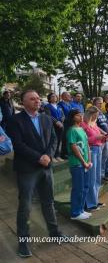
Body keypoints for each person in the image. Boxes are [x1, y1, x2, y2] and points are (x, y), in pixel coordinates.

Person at [7, 90, 66, 258]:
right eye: (33, 99)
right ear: (23, 102)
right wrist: (38, 157)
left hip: (46, 168)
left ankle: (55, 233)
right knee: (25, 206)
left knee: (48, 202)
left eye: (38, 98)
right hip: (27, 169)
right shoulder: (15, 120)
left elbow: (54, 139)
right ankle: (23, 242)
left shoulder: (46, 118)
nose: (37, 101)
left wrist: (48, 155)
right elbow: (18, 145)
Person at [65, 109, 92, 220]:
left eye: (81, 115)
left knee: (85, 187)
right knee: (78, 188)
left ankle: (81, 209)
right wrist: (83, 162)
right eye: (78, 115)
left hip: (85, 163)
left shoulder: (81, 129)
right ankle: (75, 213)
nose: (81, 117)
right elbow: (74, 147)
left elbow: (87, 145)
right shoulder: (71, 130)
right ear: (72, 117)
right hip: (77, 163)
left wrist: (89, 161)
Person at [81, 106, 106, 212]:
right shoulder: (83, 125)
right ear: (91, 114)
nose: (97, 117)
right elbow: (84, 140)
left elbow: (98, 137)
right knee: (91, 177)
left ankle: (94, 200)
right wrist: (97, 138)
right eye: (96, 115)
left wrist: (104, 138)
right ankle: (90, 203)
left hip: (99, 149)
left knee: (97, 177)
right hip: (91, 151)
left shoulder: (94, 124)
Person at [93, 97, 108, 180]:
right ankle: (97, 176)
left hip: (106, 139)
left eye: (102, 103)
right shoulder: (93, 113)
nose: (101, 104)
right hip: (99, 139)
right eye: (99, 103)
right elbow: (95, 126)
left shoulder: (102, 113)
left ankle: (102, 175)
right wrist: (105, 133)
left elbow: (107, 124)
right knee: (99, 158)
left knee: (105, 157)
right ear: (95, 104)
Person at [44, 93, 65, 161]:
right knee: (52, 140)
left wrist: (61, 121)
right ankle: (51, 156)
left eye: (55, 96)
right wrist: (56, 122)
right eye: (52, 96)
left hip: (60, 126)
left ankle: (57, 155)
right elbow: (49, 116)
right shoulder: (47, 106)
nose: (54, 97)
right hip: (52, 126)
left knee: (59, 140)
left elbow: (63, 115)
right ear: (49, 98)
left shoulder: (59, 106)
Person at [58, 91, 72, 159]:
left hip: (70, 123)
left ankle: (68, 152)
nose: (70, 96)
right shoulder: (60, 104)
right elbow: (62, 115)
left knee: (69, 138)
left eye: (69, 95)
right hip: (65, 123)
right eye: (68, 95)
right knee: (65, 138)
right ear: (63, 96)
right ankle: (63, 154)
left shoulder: (69, 104)